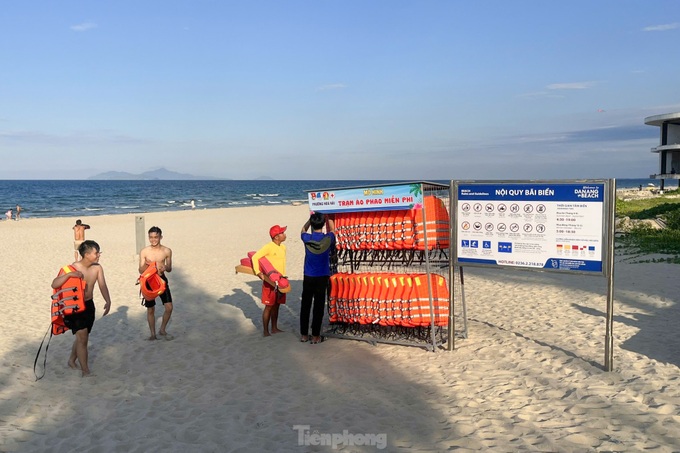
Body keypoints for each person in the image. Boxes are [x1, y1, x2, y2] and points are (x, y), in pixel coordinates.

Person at [51, 240, 112, 377]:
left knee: (82, 337)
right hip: (74, 308)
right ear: (86, 254)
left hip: (89, 306)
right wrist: (68, 276)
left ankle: (72, 360)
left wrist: (108, 300)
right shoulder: (72, 268)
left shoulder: (97, 268)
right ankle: (85, 371)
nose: (98, 255)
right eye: (96, 252)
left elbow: (102, 285)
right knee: (82, 337)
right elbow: (54, 283)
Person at [300, 213, 336, 344]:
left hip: (308, 275)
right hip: (322, 276)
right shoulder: (327, 238)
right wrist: (329, 218)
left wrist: (309, 220)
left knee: (306, 305)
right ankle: (315, 335)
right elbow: (333, 230)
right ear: (322, 224)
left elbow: (302, 230)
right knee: (319, 306)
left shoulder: (307, 238)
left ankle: (304, 334)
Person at [251, 225, 287, 337]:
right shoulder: (268, 247)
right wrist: (258, 272)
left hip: (281, 280)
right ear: (276, 237)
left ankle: (274, 328)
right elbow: (255, 257)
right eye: (282, 233)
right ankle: (266, 331)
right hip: (269, 281)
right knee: (269, 306)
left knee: (277, 305)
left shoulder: (283, 247)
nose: (284, 234)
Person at [139, 226, 173, 340]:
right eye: (151, 237)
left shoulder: (167, 251)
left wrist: (164, 267)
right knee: (151, 309)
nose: (153, 240)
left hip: (161, 280)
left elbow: (169, 268)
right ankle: (152, 334)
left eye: (156, 237)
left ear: (160, 237)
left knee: (169, 307)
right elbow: (140, 270)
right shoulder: (144, 251)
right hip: (148, 280)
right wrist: (148, 265)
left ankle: (162, 330)